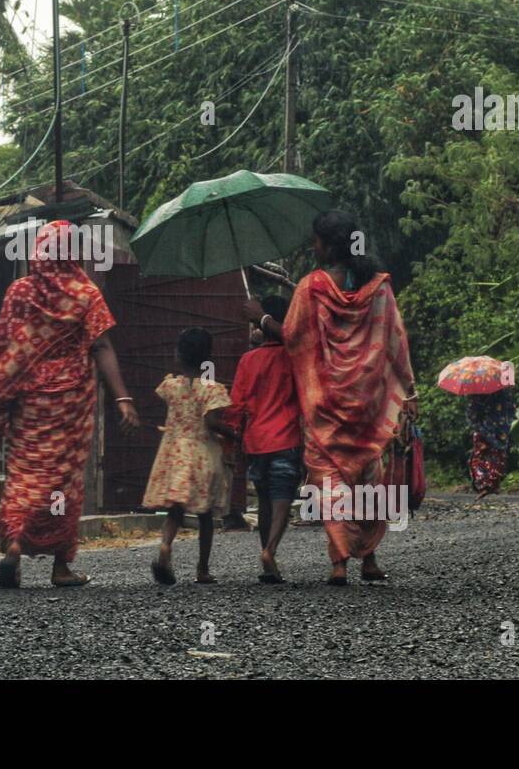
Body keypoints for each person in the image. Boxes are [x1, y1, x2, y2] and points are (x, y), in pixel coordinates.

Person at [0, 220, 139, 589]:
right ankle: (60, 567)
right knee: (63, 483)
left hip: (29, 404)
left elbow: (4, 349)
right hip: (71, 405)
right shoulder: (86, 294)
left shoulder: (19, 292)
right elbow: (102, 347)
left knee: (23, 476)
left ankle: (15, 542)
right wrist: (123, 398)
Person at [245, 210, 417, 586]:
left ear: (327, 246)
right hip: (369, 403)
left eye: (317, 241)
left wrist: (260, 319)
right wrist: (409, 388)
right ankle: (368, 558)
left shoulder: (311, 288)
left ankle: (339, 562)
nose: (313, 246)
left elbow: (291, 336)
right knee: (369, 476)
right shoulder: (379, 288)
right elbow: (396, 338)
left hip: (325, 405)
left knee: (330, 480)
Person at [143, 327, 237, 585]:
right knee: (205, 515)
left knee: (175, 510)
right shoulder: (212, 388)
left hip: (174, 453)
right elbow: (212, 422)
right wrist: (236, 436)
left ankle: (165, 547)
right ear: (208, 357)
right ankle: (202, 569)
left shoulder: (170, 385)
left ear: (178, 355)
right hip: (202, 455)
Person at [228, 294, 302, 584]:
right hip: (286, 438)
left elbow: (237, 406)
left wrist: (233, 441)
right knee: (282, 496)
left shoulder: (248, 360)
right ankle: (270, 550)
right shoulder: (293, 356)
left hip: (256, 441)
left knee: (263, 500)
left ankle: (265, 555)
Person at [468, 388, 515, 500]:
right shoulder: (504, 392)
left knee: (480, 459)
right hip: (499, 431)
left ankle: (485, 485)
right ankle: (493, 485)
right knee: (497, 457)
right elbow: (511, 410)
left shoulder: (477, 395)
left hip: (484, 431)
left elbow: (472, 415)